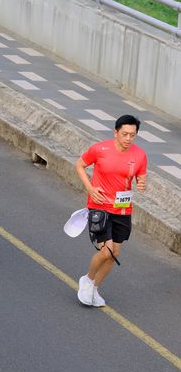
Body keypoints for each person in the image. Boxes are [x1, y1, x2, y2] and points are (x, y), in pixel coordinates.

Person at [75, 114, 147, 308]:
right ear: (115, 132)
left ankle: (94, 288)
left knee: (115, 252)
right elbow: (79, 165)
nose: (128, 138)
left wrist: (142, 183)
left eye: (132, 135)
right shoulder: (100, 149)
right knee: (106, 251)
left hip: (122, 209)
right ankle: (87, 279)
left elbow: (141, 176)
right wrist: (90, 188)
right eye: (124, 134)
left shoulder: (140, 155)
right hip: (99, 206)